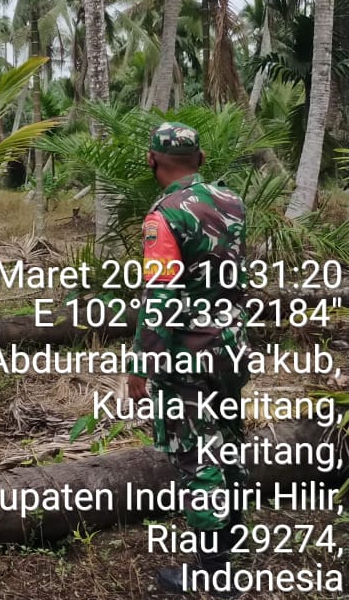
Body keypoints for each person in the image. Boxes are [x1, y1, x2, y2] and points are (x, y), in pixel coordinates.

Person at [127, 121, 246, 596]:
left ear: (153, 161)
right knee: (229, 445)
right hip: (231, 346)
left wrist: (140, 362)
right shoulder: (231, 201)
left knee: (197, 456)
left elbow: (160, 297)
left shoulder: (164, 217)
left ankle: (214, 574)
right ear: (199, 159)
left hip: (189, 355)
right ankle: (230, 554)